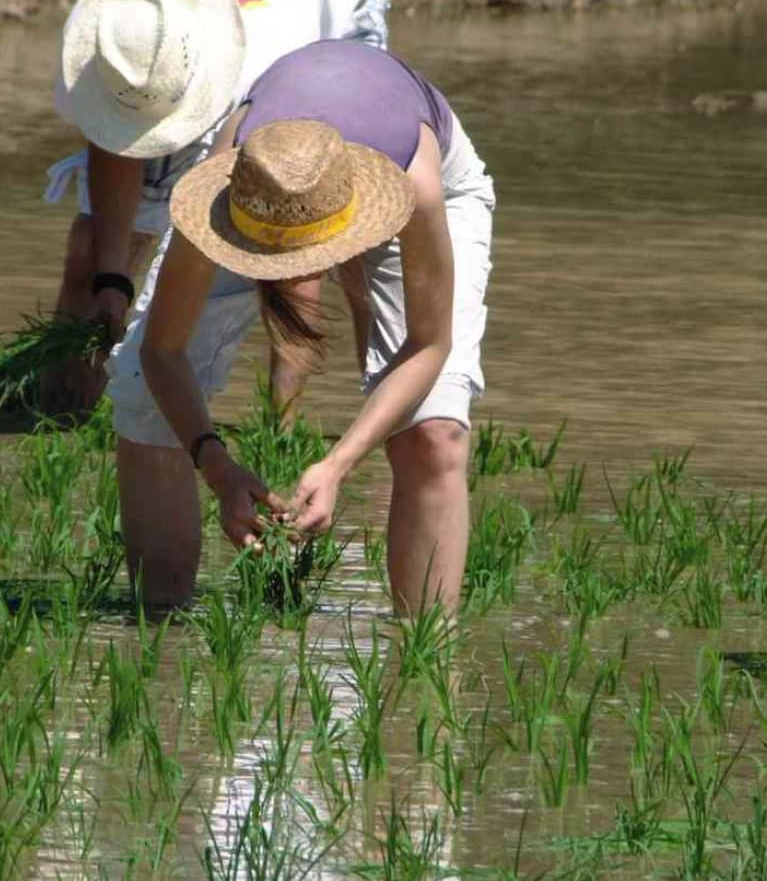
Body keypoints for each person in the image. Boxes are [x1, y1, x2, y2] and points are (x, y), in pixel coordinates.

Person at [131, 39, 496, 614]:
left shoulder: (417, 185)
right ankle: (154, 629)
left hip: (426, 175)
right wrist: (217, 467)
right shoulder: (227, 191)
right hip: (274, 182)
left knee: (434, 433)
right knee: (138, 392)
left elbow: (430, 344)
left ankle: (426, 659)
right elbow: (161, 350)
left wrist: (337, 464)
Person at [40, 0, 388, 419]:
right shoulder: (112, 35)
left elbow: (291, 248)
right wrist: (112, 280)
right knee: (91, 251)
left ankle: (294, 430)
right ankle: (59, 416)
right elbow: (114, 144)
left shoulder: (275, 66)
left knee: (313, 254)